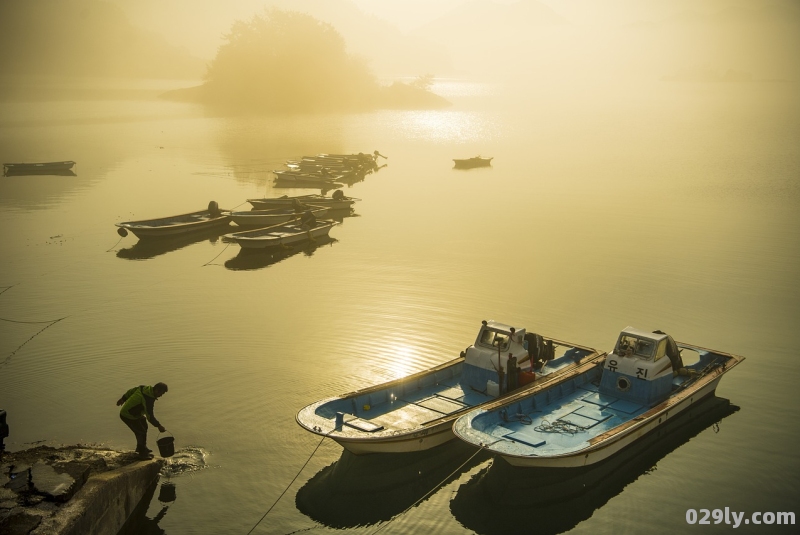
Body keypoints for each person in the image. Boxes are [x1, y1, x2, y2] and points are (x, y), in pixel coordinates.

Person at [117, 382, 168, 458]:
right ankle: (142, 454)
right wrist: (158, 426)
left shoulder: (144, 388)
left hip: (134, 414)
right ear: (157, 390)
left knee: (144, 424)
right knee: (141, 431)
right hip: (128, 415)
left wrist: (123, 399)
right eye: (161, 393)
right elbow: (150, 416)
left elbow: (131, 391)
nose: (161, 396)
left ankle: (141, 447)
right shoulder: (148, 399)